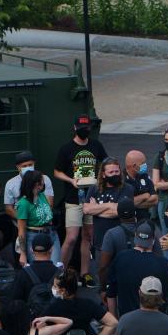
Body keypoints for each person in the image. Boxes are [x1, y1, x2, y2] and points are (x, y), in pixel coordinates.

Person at [53, 116, 107, 274]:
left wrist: (99, 180)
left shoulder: (96, 145)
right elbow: (57, 171)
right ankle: (60, 273)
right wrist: (71, 180)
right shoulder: (66, 149)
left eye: (87, 128)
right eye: (82, 128)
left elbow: (106, 164)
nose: (85, 131)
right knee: (71, 238)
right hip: (73, 198)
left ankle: (85, 274)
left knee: (88, 236)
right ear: (75, 128)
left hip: (91, 199)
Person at [110, 220, 168, 320]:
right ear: (153, 239)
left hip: (127, 322)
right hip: (156, 325)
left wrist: (114, 323)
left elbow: (111, 293)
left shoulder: (120, 258)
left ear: (135, 236)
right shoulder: (163, 264)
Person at [13, 171, 59, 263]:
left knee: (55, 269)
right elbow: (21, 230)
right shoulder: (23, 204)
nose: (44, 183)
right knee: (38, 269)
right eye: (42, 181)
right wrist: (23, 254)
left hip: (51, 233)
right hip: (34, 236)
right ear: (36, 184)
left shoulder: (42, 196)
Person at [4, 149, 54, 234]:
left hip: (43, 226)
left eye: (30, 164)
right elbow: (8, 209)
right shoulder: (10, 184)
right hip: (20, 226)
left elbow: (50, 204)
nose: (28, 167)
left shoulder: (45, 179)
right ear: (18, 167)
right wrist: (25, 219)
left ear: (34, 164)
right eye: (24, 166)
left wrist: (37, 220)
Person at [123, 150, 159, 219]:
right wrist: (145, 196)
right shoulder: (121, 180)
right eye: (143, 163)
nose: (145, 165)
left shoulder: (144, 176)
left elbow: (155, 199)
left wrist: (133, 203)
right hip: (128, 221)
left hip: (145, 220)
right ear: (134, 166)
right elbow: (122, 204)